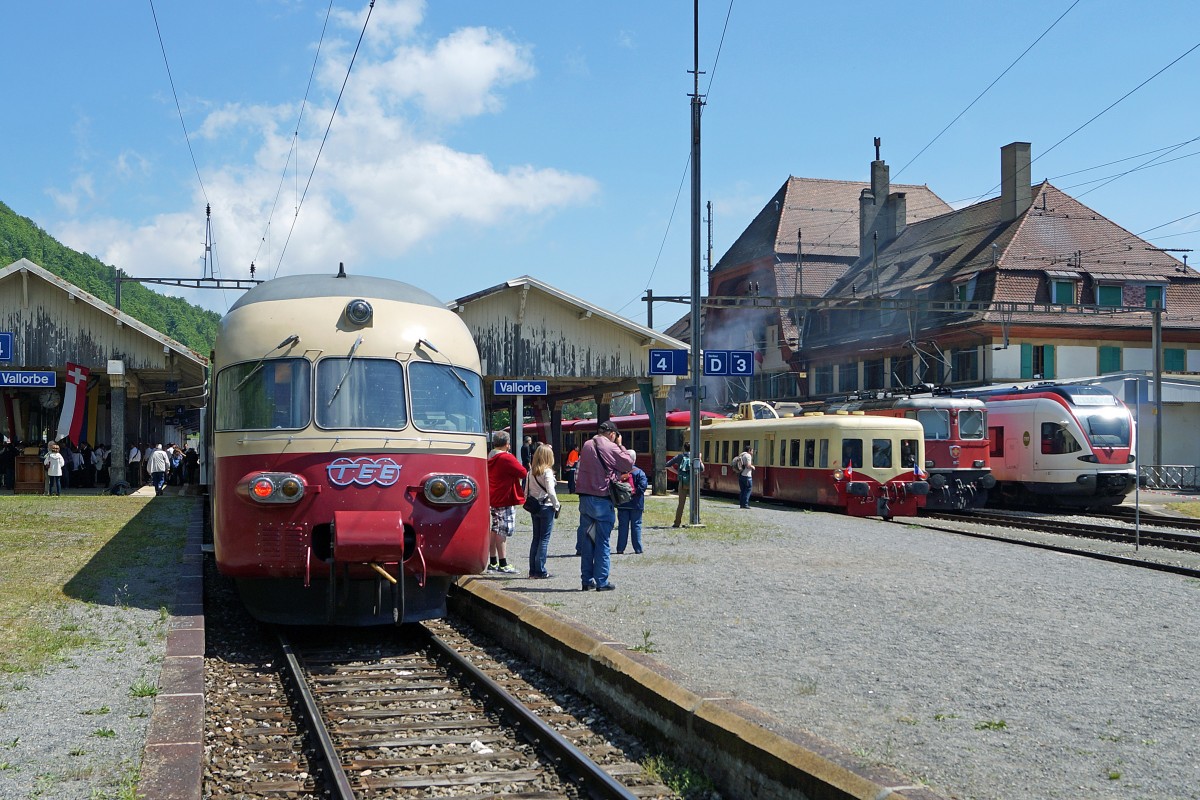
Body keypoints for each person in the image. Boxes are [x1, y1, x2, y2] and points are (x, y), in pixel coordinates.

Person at [574, 420, 634, 591]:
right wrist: (620, 446)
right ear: (612, 434)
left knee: (587, 541)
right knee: (602, 541)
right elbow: (628, 464)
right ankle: (601, 581)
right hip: (602, 498)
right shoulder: (611, 446)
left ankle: (586, 580)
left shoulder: (586, 445)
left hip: (585, 498)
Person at [486, 430, 527, 574]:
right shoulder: (506, 458)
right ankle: (503, 563)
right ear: (507, 444)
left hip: (493, 497)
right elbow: (523, 472)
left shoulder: (490, 455)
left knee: (494, 529)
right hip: (505, 497)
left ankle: (492, 561)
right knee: (503, 530)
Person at [524, 443, 561, 579]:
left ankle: (532, 570)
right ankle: (541, 570)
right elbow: (551, 491)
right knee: (544, 539)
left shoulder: (530, 473)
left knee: (536, 538)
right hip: (547, 507)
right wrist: (556, 505)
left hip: (535, 507)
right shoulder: (547, 472)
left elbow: (526, 492)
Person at [615, 450, 648, 555]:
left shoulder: (620, 472)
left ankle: (620, 548)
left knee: (622, 527)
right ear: (634, 459)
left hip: (623, 504)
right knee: (636, 525)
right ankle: (637, 549)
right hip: (636, 504)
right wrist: (634, 493)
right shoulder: (639, 472)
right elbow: (643, 486)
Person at [666, 442, 698, 528]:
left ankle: (677, 522)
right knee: (695, 502)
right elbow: (701, 468)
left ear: (684, 448)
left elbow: (667, 465)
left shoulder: (680, 457)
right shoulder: (695, 457)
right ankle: (695, 520)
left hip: (682, 482)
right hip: (693, 482)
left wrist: (678, 473)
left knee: (681, 503)